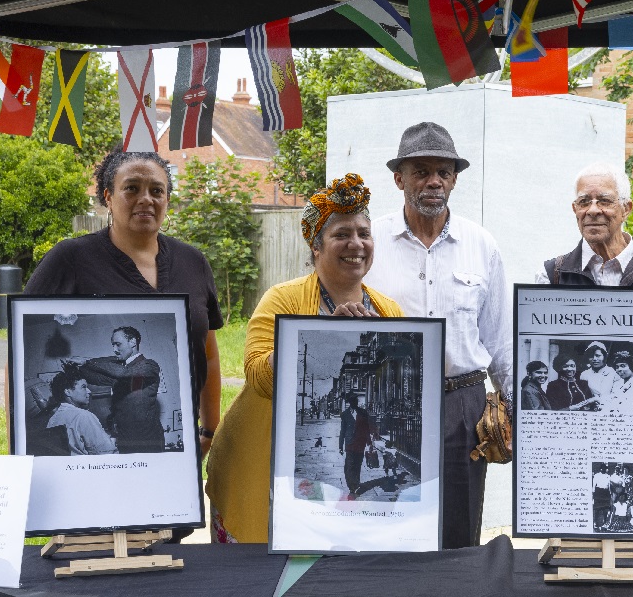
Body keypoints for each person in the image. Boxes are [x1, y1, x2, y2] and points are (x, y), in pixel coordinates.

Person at [206, 174, 402, 543]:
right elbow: (257, 376)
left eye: (364, 233)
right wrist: (320, 332)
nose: (355, 244)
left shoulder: (387, 309)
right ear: (315, 244)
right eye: (341, 234)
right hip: (256, 463)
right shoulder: (283, 299)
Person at [363, 122, 512, 549]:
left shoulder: (481, 245)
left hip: (462, 406)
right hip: (389, 403)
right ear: (399, 178)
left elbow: (500, 341)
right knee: (389, 521)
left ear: (454, 180)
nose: (434, 182)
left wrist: (515, 411)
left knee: (459, 528)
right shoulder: (370, 242)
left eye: (443, 172)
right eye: (421, 171)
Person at [25, 147, 222, 458]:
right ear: (107, 196)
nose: (146, 198)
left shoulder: (193, 262)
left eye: (157, 190)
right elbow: (18, 353)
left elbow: (207, 354)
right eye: (132, 188)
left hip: (156, 445)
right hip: (116, 443)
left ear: (167, 199)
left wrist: (210, 429)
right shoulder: (69, 259)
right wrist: (18, 450)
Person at [537, 163, 633, 287]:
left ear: (626, 209)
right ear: (575, 209)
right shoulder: (550, 278)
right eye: (584, 202)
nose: (592, 210)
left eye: (604, 201)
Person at [76, 326, 164, 453]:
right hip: (125, 439)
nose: (114, 350)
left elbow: (125, 373)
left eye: (118, 344)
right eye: (113, 345)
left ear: (133, 342)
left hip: (148, 440)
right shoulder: (119, 372)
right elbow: (96, 379)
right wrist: (76, 368)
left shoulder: (149, 365)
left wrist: (86, 362)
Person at [44, 367, 117, 455]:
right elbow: (107, 453)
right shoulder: (83, 416)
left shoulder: (53, 419)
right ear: (68, 392)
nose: (89, 391)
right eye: (83, 387)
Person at [338, 393, 373, 497]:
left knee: (357, 465)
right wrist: (340, 445)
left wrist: (369, 443)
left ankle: (356, 484)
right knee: (349, 466)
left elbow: (367, 429)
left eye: (356, 400)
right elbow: (342, 431)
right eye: (353, 401)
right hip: (349, 443)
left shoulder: (363, 413)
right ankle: (351, 486)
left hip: (360, 443)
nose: (355, 402)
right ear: (350, 402)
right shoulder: (344, 414)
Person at [579, 341, 617, 406]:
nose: (594, 359)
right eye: (591, 356)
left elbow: (616, 395)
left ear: (604, 356)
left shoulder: (613, 373)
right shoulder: (584, 375)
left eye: (598, 356)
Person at [607, 349, 633, 414]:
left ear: (632, 366)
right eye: (617, 367)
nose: (619, 369)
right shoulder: (617, 384)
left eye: (623, 366)